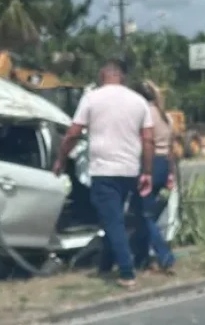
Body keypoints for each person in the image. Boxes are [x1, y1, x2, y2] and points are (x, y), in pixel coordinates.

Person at [53, 60, 154, 289]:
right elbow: (148, 139)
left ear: (102, 76)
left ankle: (127, 272)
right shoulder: (139, 102)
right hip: (130, 170)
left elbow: (72, 133)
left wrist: (61, 159)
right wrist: (146, 171)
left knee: (113, 221)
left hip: (103, 171)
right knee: (113, 219)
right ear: (122, 77)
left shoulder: (91, 99)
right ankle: (105, 265)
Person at [130, 80, 177, 274]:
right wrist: (171, 173)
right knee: (145, 214)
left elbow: (143, 143)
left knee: (144, 214)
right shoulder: (165, 116)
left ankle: (164, 255)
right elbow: (171, 150)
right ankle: (142, 259)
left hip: (150, 164)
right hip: (164, 165)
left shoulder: (145, 114)